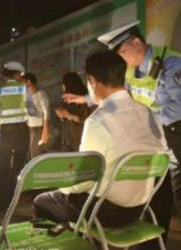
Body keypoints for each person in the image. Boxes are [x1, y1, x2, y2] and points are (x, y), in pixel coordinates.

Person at [33, 51, 165, 230]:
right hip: (139, 208)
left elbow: (84, 180)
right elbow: (162, 157)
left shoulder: (98, 120)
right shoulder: (148, 112)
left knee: (42, 201)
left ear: (93, 81)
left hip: (105, 211)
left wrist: (63, 188)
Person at [97, 21, 181, 249]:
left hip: (176, 136)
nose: (121, 58)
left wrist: (146, 120)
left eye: (123, 51)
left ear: (137, 43)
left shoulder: (171, 63)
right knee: (155, 201)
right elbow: (121, 97)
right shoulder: (130, 71)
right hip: (154, 142)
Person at [0, 61, 29, 209]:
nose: (21, 77)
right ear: (16, 74)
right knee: (19, 166)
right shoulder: (24, 88)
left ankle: (3, 203)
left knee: (3, 167)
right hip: (22, 130)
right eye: (20, 74)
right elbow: (31, 111)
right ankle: (17, 199)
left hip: (6, 131)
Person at [55, 72, 92, 152]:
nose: (62, 86)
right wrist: (60, 113)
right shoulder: (67, 97)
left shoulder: (83, 99)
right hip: (67, 138)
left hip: (78, 137)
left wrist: (68, 115)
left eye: (64, 83)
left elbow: (83, 119)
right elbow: (64, 115)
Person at [22, 72, 50, 158]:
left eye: (23, 82)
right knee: (30, 153)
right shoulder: (26, 97)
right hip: (29, 128)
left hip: (38, 128)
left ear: (28, 82)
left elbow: (47, 113)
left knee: (36, 153)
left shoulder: (40, 94)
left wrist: (45, 130)